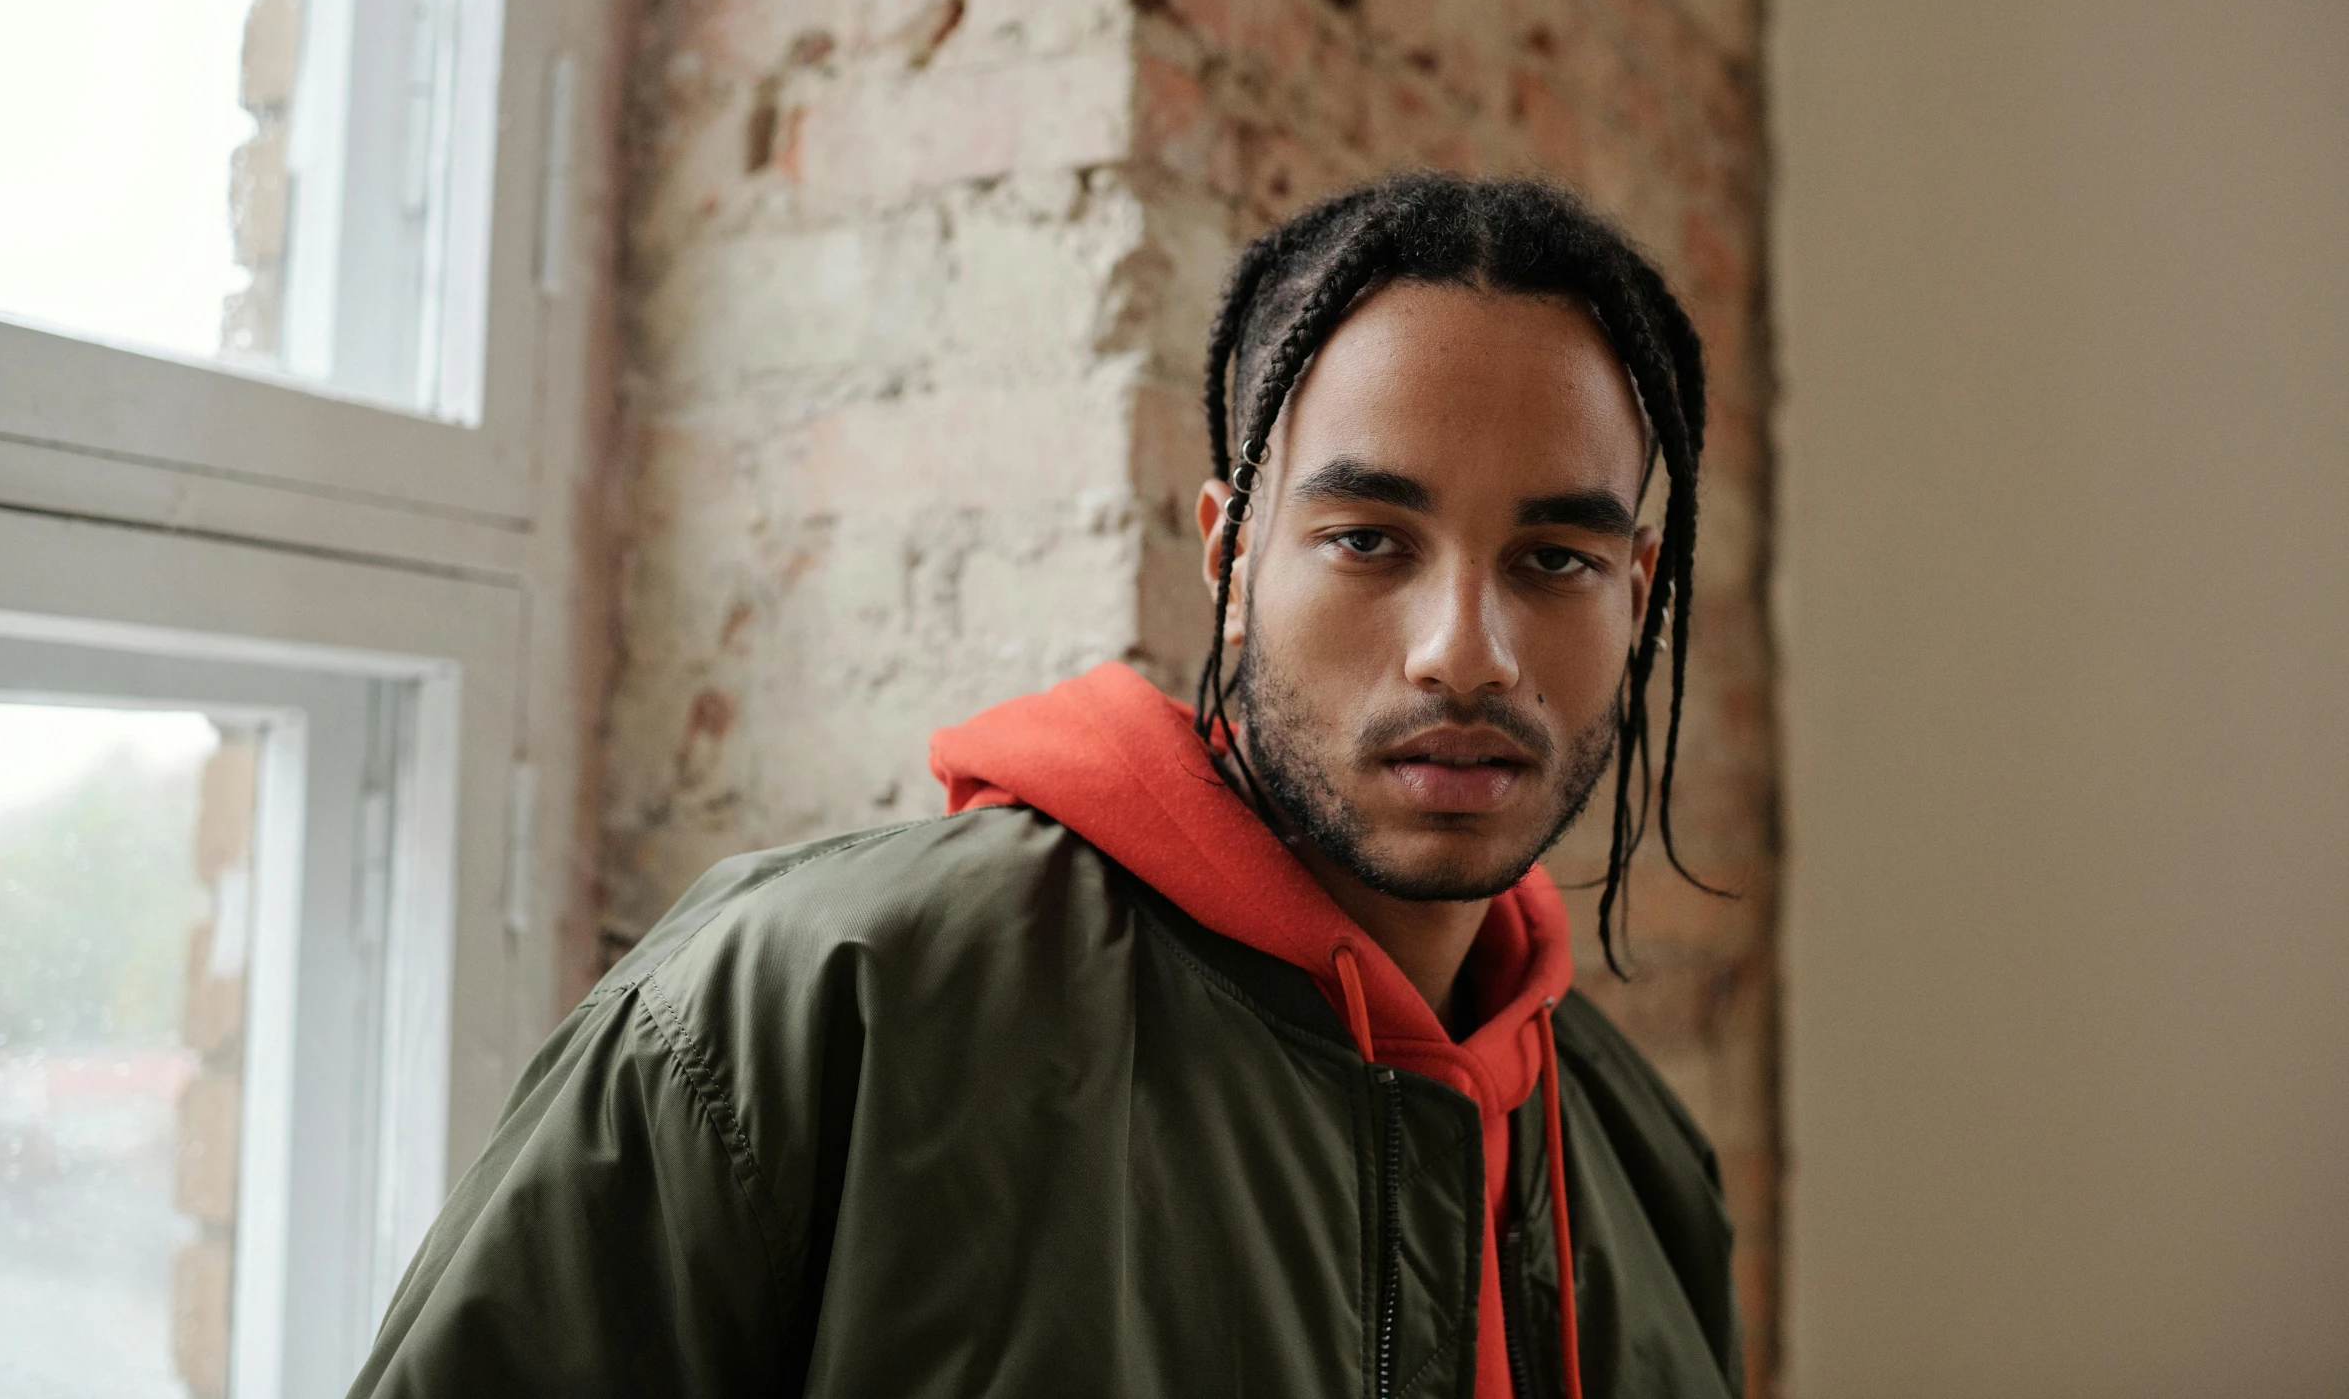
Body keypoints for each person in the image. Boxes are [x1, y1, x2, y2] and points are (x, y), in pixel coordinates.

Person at [350, 173, 1741, 1398]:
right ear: (1230, 558)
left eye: (1553, 559)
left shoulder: (1640, 1161)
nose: (1462, 651)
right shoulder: (807, 1013)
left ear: (1637, 592)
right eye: (1370, 538)